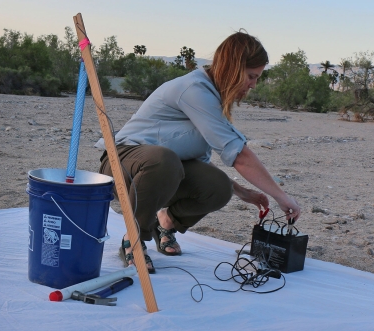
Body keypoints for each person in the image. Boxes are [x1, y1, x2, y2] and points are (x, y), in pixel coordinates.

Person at [96, 30, 301, 273]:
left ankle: (166, 222)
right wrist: (281, 197)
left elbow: (199, 162)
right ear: (233, 68)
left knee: (219, 185)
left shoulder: (212, 100)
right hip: (122, 165)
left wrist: (241, 192)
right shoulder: (194, 90)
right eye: (251, 76)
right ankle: (134, 238)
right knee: (165, 161)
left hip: (162, 171)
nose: (253, 84)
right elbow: (240, 154)